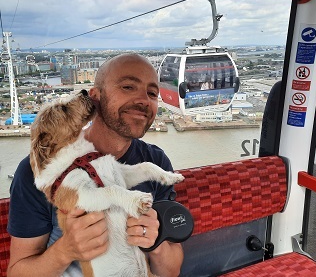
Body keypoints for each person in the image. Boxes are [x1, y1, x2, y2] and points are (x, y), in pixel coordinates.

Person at [7, 53, 184, 277]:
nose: (143, 100)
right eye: (128, 87)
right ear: (95, 97)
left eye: (152, 93)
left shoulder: (156, 161)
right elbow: (17, 273)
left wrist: (155, 242)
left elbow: (172, 271)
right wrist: (65, 250)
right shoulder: (40, 172)